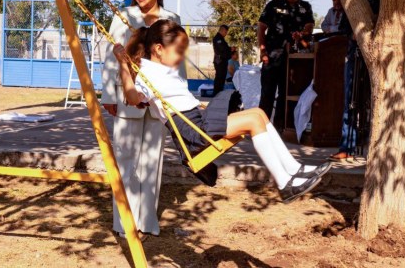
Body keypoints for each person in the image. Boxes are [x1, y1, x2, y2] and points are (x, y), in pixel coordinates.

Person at [113, 19, 331, 203]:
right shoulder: (146, 74)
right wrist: (123, 65)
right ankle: (285, 183)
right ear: (159, 49)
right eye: (178, 51)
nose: (181, 56)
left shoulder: (163, 70)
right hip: (193, 132)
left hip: (198, 121)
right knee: (254, 121)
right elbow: (133, 98)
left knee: (259, 114)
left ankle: (295, 170)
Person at [101, 0, 182, 237]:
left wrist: (174, 100)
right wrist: (109, 95)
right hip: (128, 96)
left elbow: (175, 61)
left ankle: (147, 221)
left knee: (152, 160)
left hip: (157, 99)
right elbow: (109, 55)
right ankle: (125, 222)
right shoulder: (124, 16)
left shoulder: (172, 18)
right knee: (126, 161)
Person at [330, 0, 380, 161]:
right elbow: (343, 27)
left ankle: (372, 146)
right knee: (350, 101)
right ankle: (346, 146)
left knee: (374, 102)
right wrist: (353, 35)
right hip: (354, 55)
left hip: (376, 57)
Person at [258, 0, 315, 130]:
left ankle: (279, 128)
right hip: (272, 54)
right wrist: (263, 51)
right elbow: (261, 27)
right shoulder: (274, 5)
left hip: (293, 58)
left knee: (286, 95)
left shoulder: (305, 7)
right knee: (267, 93)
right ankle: (261, 127)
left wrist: (302, 34)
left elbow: (309, 26)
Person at [212, 25, 232, 95]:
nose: (226, 33)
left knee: (222, 78)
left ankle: (219, 93)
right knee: (219, 78)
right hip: (219, 61)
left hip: (223, 61)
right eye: (226, 32)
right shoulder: (217, 38)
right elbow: (222, 49)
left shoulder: (222, 39)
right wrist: (230, 49)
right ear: (222, 30)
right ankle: (216, 93)